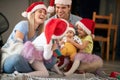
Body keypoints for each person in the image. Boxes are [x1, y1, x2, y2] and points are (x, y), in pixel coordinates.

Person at [1, 2, 48, 77]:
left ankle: (23, 75)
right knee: (17, 59)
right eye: (40, 11)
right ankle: (36, 72)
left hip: (26, 61)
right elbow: (17, 45)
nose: (43, 14)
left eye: (45, 13)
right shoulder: (23, 24)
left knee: (49, 62)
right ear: (33, 13)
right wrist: (33, 56)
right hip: (10, 56)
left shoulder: (39, 33)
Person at [45, 0, 83, 72]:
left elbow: (83, 41)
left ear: (69, 7)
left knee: (93, 65)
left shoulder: (79, 21)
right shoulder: (49, 22)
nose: (60, 10)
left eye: (63, 8)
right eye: (58, 7)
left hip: (73, 54)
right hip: (56, 55)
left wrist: (78, 56)